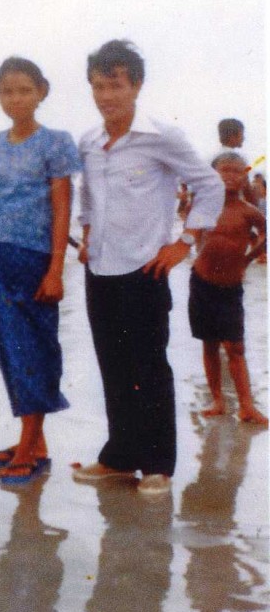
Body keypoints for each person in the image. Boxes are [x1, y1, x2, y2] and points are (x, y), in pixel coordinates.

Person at [74, 40, 224, 495]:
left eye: (115, 85)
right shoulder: (90, 142)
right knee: (113, 366)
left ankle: (158, 465)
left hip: (145, 269)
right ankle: (120, 457)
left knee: (149, 368)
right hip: (99, 269)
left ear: (136, 85)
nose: (106, 96)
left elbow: (209, 185)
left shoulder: (162, 136)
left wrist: (185, 241)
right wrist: (84, 233)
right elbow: (87, 196)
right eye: (98, 86)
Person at [0, 57, 81, 484]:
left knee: (33, 347)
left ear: (41, 91)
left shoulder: (56, 141)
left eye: (24, 90)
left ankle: (31, 439)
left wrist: (56, 269)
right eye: (6, 91)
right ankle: (32, 441)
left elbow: (61, 207)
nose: (15, 98)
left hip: (32, 257)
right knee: (7, 348)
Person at [189, 152, 267, 426]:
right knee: (209, 343)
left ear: (245, 176)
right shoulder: (203, 206)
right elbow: (190, 235)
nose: (231, 176)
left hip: (230, 288)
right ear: (213, 174)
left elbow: (264, 232)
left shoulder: (249, 211)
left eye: (237, 171)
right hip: (202, 282)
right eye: (225, 171)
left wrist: (248, 258)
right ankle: (218, 399)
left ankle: (247, 406)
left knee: (235, 346)